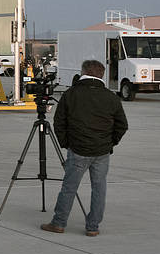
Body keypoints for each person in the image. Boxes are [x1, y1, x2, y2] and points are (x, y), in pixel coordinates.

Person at [42, 59, 129, 237]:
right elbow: (122, 125)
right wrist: (110, 142)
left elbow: (59, 122)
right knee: (99, 188)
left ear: (83, 72)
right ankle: (93, 226)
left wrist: (66, 142)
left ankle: (59, 223)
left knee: (69, 187)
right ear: (101, 75)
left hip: (78, 149)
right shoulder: (110, 96)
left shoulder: (71, 93)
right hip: (102, 151)